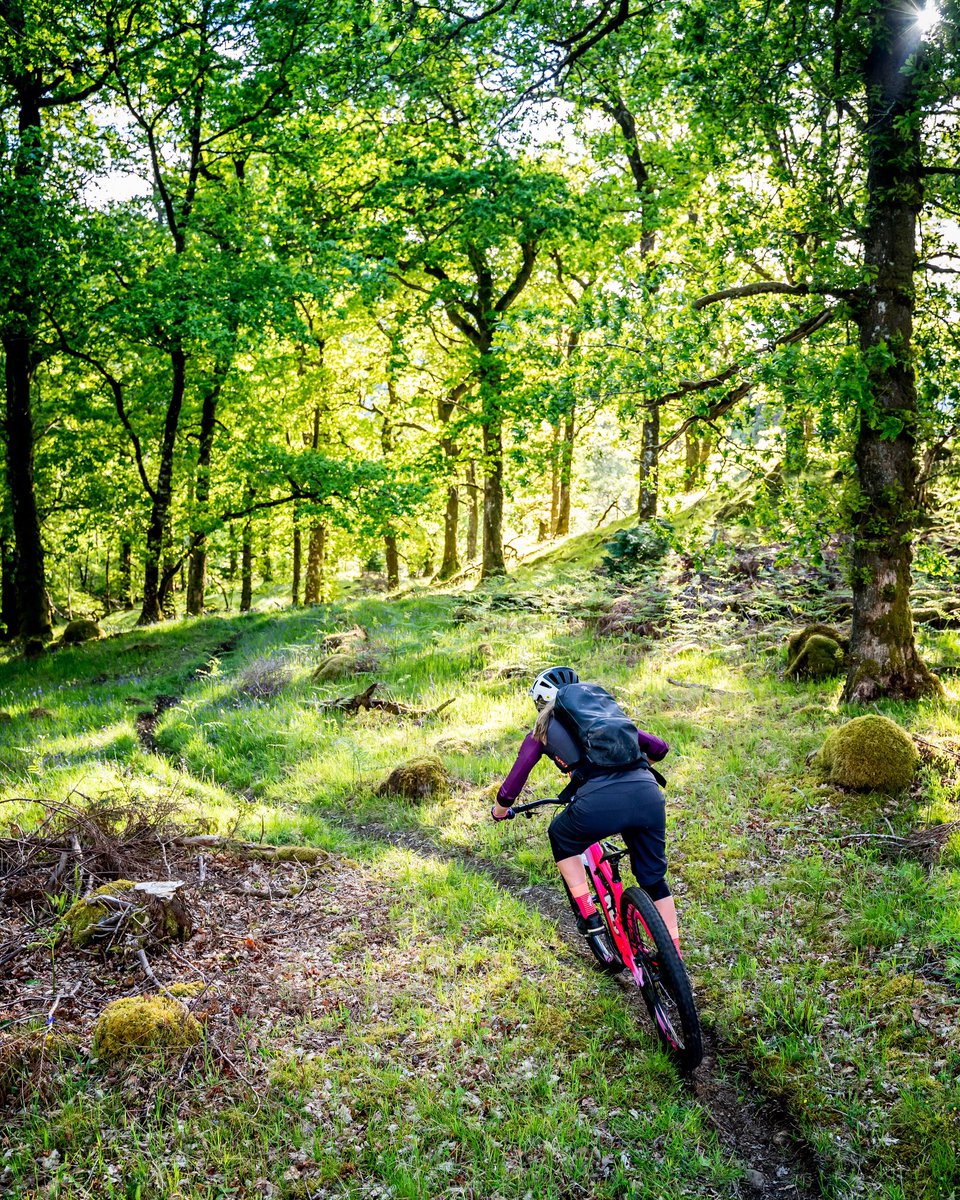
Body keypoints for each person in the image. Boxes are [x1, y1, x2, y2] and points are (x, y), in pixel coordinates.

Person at [490, 665, 680, 950]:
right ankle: (673, 955)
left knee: (561, 835)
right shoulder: (607, 718)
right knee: (654, 880)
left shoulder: (542, 728)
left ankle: (590, 916)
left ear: (541, 703)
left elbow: (514, 782)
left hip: (599, 801)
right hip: (648, 794)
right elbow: (660, 749)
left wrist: (500, 810)